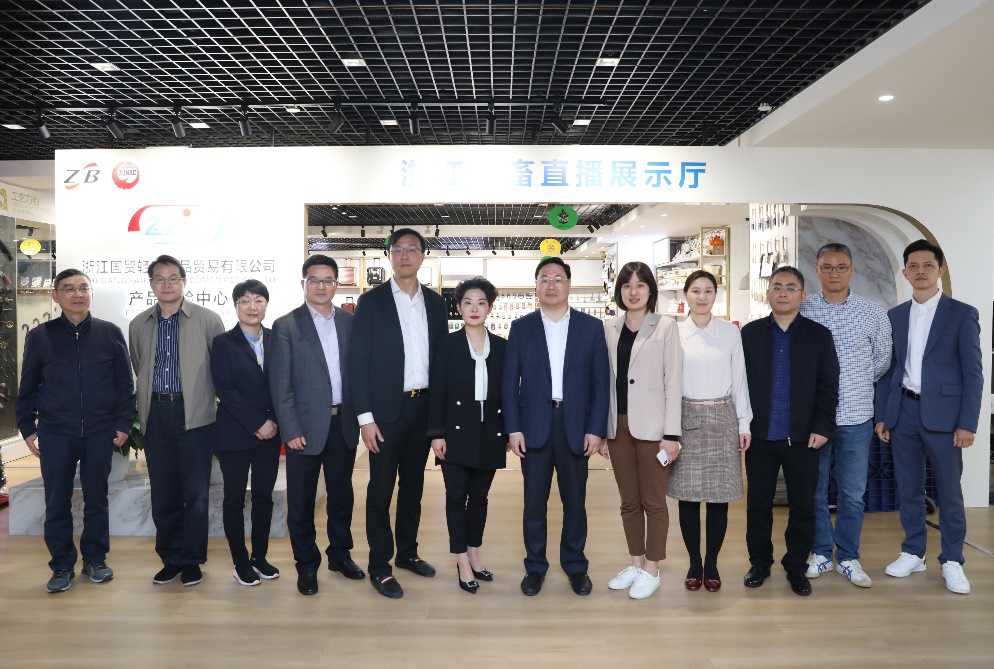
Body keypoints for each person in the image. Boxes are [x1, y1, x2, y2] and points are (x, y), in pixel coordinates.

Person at [16, 269, 134, 593]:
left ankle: (95, 559)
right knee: (57, 501)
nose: (78, 294)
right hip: (56, 432)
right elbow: (28, 387)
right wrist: (27, 427)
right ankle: (62, 565)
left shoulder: (110, 333)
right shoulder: (40, 336)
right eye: (69, 289)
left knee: (97, 499)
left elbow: (125, 384)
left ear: (91, 293)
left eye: (83, 288)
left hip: (99, 431)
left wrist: (123, 423)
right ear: (55, 295)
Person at [875, 240, 983, 595]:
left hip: (946, 417)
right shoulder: (895, 315)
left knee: (950, 491)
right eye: (914, 266)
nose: (920, 271)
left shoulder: (962, 314)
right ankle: (913, 552)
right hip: (903, 411)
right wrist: (884, 415)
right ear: (905, 272)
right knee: (909, 488)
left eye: (928, 265)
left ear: (940, 270)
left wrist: (967, 423)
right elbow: (889, 371)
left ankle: (952, 559)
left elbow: (973, 374)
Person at [503, 257, 610, 597]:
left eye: (558, 279)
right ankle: (535, 566)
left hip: (576, 426)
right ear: (536, 286)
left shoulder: (590, 327)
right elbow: (509, 384)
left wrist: (596, 429)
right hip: (533, 425)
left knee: (575, 502)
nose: (551, 285)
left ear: (569, 285)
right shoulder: (521, 327)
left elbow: (601, 384)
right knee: (534, 503)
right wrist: (513, 428)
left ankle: (575, 565)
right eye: (545, 279)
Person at [351, 229, 448, 599]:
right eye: (398, 250)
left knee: (413, 486)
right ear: (389, 256)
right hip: (385, 413)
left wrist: (439, 420)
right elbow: (358, 363)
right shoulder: (371, 301)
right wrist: (365, 419)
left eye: (412, 249)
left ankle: (407, 552)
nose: (405, 255)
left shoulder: (435, 303)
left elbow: (441, 363)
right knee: (380, 489)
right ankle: (380, 565)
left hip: (423, 408)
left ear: (422, 256)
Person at [740, 266, 839, 597]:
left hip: (804, 438)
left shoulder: (818, 335)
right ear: (768, 293)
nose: (783, 293)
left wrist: (823, 426)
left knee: (803, 506)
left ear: (802, 295)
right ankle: (760, 563)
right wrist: (741, 425)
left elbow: (828, 386)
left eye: (791, 288)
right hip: (761, 436)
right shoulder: (750, 334)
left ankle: (796, 566)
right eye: (777, 286)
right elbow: (738, 386)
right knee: (758, 504)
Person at [129, 254, 225, 587]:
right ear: (151, 284)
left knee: (196, 494)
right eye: (160, 279)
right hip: (156, 415)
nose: (167, 284)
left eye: (173, 278)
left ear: (184, 282)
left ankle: (192, 560)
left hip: (195, 416)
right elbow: (139, 364)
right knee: (164, 492)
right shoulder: (138, 324)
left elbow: (220, 369)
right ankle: (170, 559)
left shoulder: (208, 320)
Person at [800, 243, 892, 588]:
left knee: (853, 492)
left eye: (841, 267)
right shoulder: (804, 308)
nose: (834, 273)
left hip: (856, 415)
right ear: (817, 270)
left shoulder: (873, 312)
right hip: (814, 419)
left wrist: (856, 383)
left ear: (852, 270)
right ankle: (821, 552)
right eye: (827, 267)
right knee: (815, 490)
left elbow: (882, 361)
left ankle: (849, 556)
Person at [270, 255, 362, 596]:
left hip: (343, 424)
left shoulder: (350, 323)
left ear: (337, 284)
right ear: (304, 283)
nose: (321, 286)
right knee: (302, 501)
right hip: (304, 428)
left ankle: (340, 554)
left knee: (341, 496)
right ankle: (306, 565)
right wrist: (290, 429)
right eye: (314, 280)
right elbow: (280, 384)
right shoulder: (286, 325)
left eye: (327, 280)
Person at [668, 270, 752, 594]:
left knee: (719, 497)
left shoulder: (730, 333)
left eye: (708, 291)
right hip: (685, 417)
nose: (701, 297)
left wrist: (744, 423)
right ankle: (694, 563)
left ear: (716, 295)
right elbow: (667, 383)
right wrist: (667, 430)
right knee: (688, 496)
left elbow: (740, 380)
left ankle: (712, 563)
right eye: (695, 291)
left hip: (722, 417)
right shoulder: (674, 333)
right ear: (685, 295)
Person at [602, 261, 681, 600]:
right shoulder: (609, 328)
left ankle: (652, 568)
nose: (632, 292)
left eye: (640, 285)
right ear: (619, 291)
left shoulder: (666, 327)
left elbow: (673, 382)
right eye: (626, 285)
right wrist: (602, 430)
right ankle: (635, 563)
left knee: (654, 502)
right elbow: (604, 381)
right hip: (617, 426)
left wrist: (672, 434)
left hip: (654, 429)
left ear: (650, 290)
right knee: (628, 501)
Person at [427, 277, 508, 594]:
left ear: (490, 307)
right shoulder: (446, 345)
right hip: (455, 433)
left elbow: (507, 395)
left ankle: (474, 552)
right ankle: (461, 559)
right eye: (468, 303)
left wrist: (509, 432)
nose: (475, 308)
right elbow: (437, 391)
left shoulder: (501, 346)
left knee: (480, 498)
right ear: (458, 307)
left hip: (490, 432)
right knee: (455, 497)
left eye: (481, 303)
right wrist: (436, 433)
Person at [211, 280, 282, 587]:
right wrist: (257, 423)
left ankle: (259, 557)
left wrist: (273, 421)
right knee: (235, 499)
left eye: (259, 300)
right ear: (235, 305)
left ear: (266, 305)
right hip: (236, 432)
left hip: (272, 433)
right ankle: (240, 563)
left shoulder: (278, 339)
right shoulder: (223, 342)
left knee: (264, 497)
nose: (252, 306)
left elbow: (285, 384)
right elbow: (225, 389)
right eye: (245, 300)